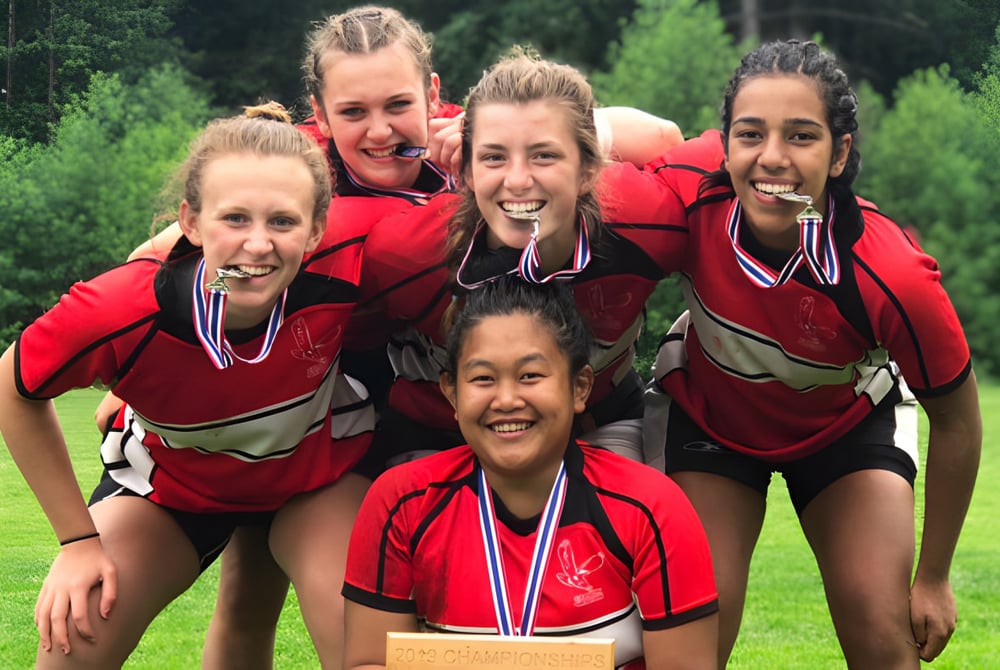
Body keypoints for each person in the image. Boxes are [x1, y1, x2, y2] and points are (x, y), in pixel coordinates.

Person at [641, 39, 982, 668]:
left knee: (884, 639)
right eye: (749, 134)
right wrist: (464, 131)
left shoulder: (893, 274)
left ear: (840, 153)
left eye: (801, 136)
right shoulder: (689, 185)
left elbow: (959, 422)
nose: (771, 158)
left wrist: (934, 576)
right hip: (713, 423)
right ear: (722, 145)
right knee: (691, 638)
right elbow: (596, 140)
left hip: (844, 434)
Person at [0, 102, 374, 668]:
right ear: (191, 222)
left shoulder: (350, 257)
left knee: (358, 634)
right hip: (174, 490)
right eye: (234, 219)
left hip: (312, 482)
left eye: (282, 222)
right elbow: (12, 386)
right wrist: (77, 542)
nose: (257, 244)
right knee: (76, 634)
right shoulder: (120, 307)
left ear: (318, 230)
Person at [342, 276, 719, 670]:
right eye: (483, 379)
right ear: (452, 393)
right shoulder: (402, 502)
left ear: (579, 388)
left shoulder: (651, 508)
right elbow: (370, 662)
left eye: (530, 376)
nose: (506, 400)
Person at [357, 50, 687, 472]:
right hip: (440, 433)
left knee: (628, 529)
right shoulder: (406, 254)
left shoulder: (648, 222)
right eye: (494, 157)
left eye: (543, 155)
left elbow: (672, 139)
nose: (517, 180)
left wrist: (578, 121)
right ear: (468, 173)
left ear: (590, 171)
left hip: (597, 419)